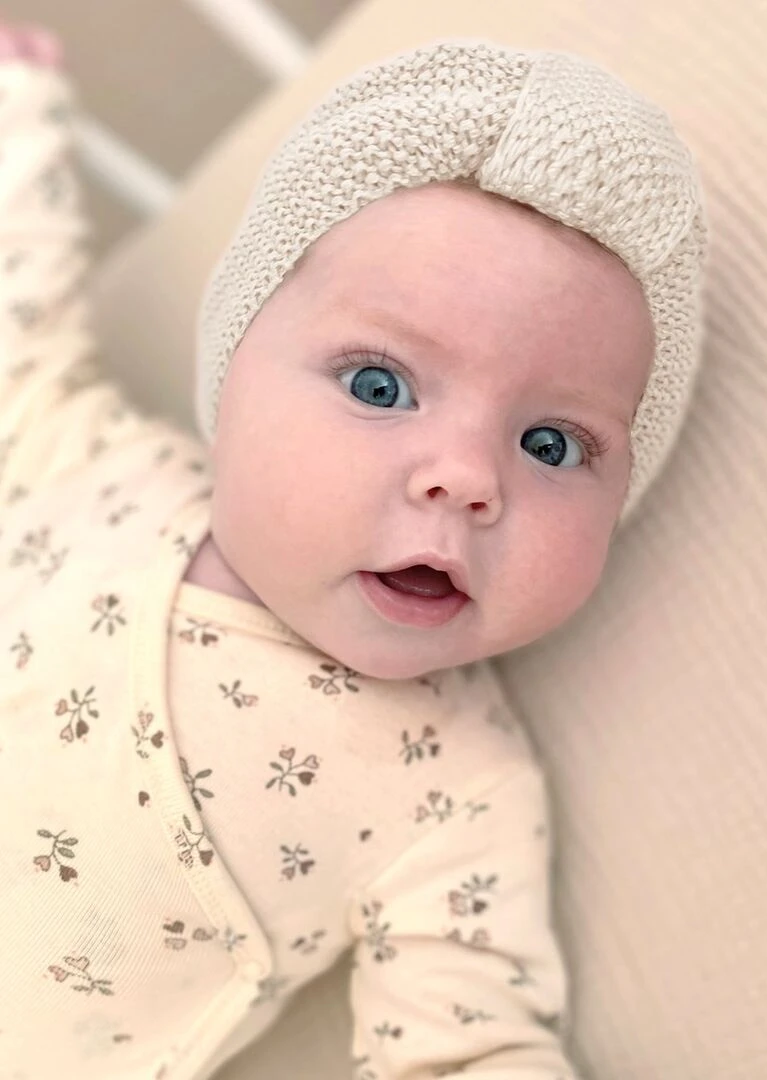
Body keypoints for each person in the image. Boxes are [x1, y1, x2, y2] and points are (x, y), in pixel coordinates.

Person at [0, 20, 707, 1080]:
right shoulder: (91, 456)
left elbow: (464, 1041)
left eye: (553, 444)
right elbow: (20, 321)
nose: (467, 478)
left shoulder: (457, 790)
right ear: (232, 380)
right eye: (380, 387)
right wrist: (15, 113)